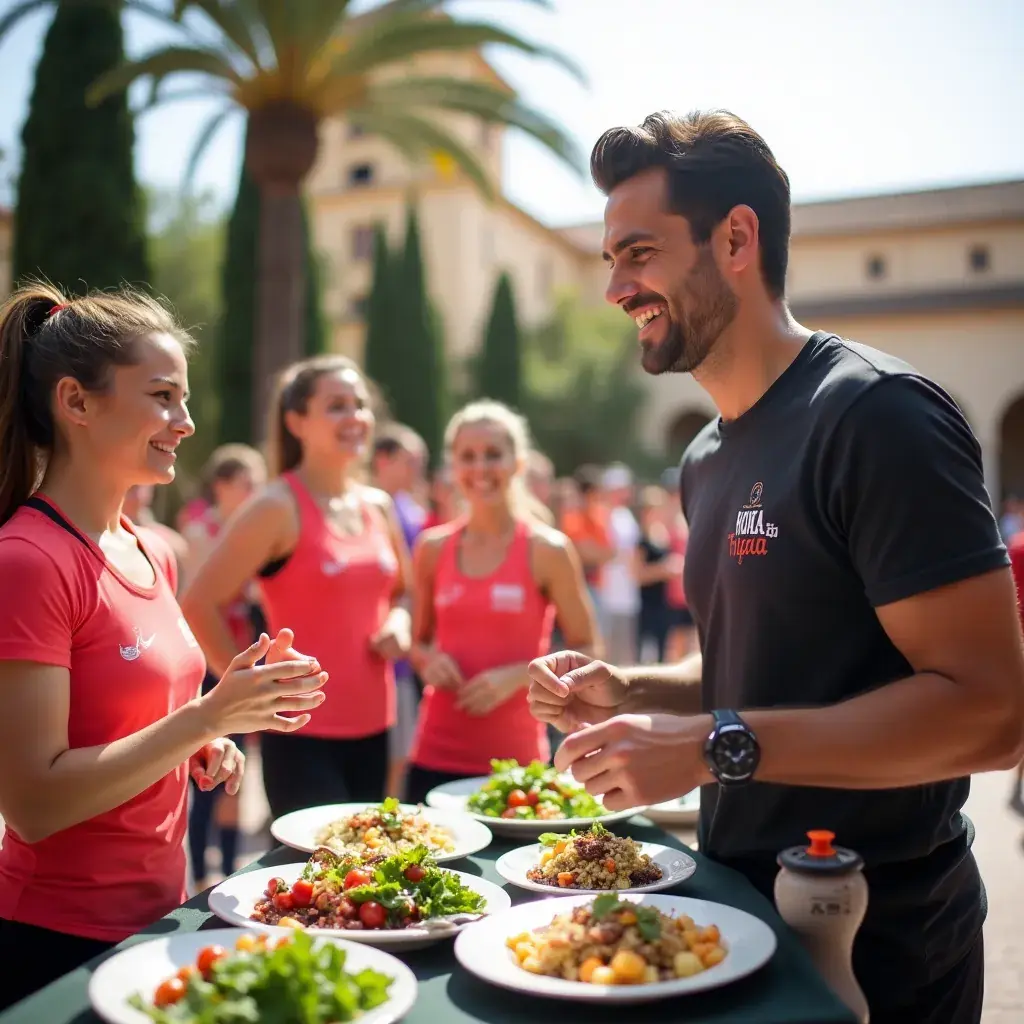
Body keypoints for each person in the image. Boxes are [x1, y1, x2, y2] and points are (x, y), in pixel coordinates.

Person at [527, 110, 1024, 1024]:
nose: (616, 288)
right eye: (609, 259)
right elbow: (766, 671)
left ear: (736, 239)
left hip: (880, 941)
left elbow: (994, 715)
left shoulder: (879, 416)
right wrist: (630, 687)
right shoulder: (704, 459)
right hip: (732, 916)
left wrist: (713, 746)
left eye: (639, 254)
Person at [0, 285, 328, 1010]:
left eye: (184, 399)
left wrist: (203, 742)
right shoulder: (27, 560)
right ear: (75, 402)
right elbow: (32, 804)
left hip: (158, 920)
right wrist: (207, 718)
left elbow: (132, 726)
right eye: (162, 397)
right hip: (53, 940)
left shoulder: (154, 550)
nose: (186, 422)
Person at [181, 355, 412, 818]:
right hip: (301, 735)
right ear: (296, 422)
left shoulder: (378, 506)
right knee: (319, 863)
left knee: (370, 857)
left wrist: (400, 624)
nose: (354, 417)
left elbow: (403, 593)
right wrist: (250, 693)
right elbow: (198, 604)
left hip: (376, 726)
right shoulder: (276, 506)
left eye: (360, 405)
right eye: (337, 406)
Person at [403, 401, 599, 804]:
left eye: (493, 454)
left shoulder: (548, 549)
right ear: (453, 466)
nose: (480, 468)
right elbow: (418, 643)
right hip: (434, 755)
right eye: (467, 456)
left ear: (518, 463)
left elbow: (590, 650)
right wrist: (429, 661)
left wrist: (521, 676)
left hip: (517, 767)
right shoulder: (432, 548)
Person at [180, 444, 268, 889]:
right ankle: (200, 875)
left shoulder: (254, 530)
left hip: (244, 656)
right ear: (222, 486)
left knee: (238, 769)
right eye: (248, 484)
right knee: (206, 769)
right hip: (210, 662)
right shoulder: (201, 531)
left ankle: (230, 871)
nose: (255, 492)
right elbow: (199, 597)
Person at [633, 485, 684, 663]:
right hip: (648, 605)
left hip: (664, 604)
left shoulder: (662, 536)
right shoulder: (641, 540)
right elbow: (638, 575)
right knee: (646, 655)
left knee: (664, 654)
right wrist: (663, 570)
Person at [597, 462, 641, 663]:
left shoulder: (626, 516)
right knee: (605, 652)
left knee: (624, 654)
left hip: (627, 595)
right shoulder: (602, 515)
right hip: (606, 595)